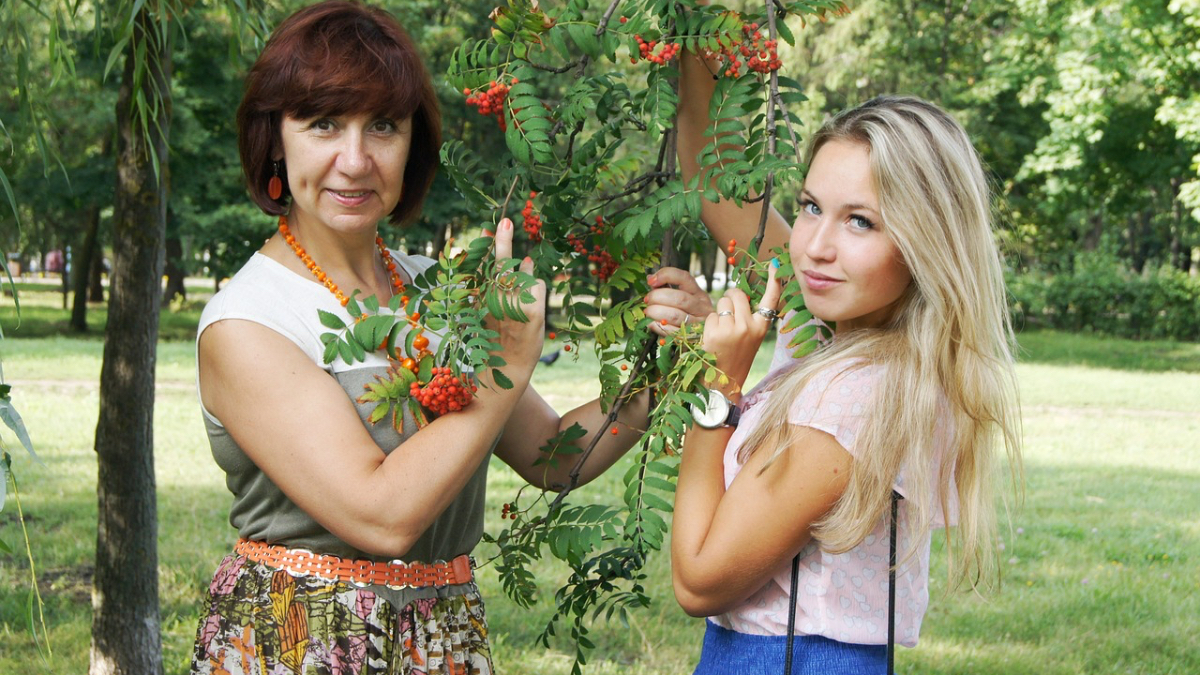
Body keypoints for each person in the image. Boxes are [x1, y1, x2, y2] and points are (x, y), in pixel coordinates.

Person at [189, 3, 662, 672]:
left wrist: (665, 367)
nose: (354, 160)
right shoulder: (248, 321)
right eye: (323, 123)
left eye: (382, 125)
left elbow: (551, 458)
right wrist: (506, 364)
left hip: (441, 639)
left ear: (412, 143)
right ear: (275, 138)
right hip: (305, 641)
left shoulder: (434, 290)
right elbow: (383, 516)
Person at [643, 44, 1024, 674]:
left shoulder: (855, 394)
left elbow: (699, 581)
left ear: (925, 241)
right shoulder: (833, 328)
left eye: (861, 223)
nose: (814, 247)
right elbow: (715, 180)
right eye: (813, 207)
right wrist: (696, 29)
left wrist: (717, 389)